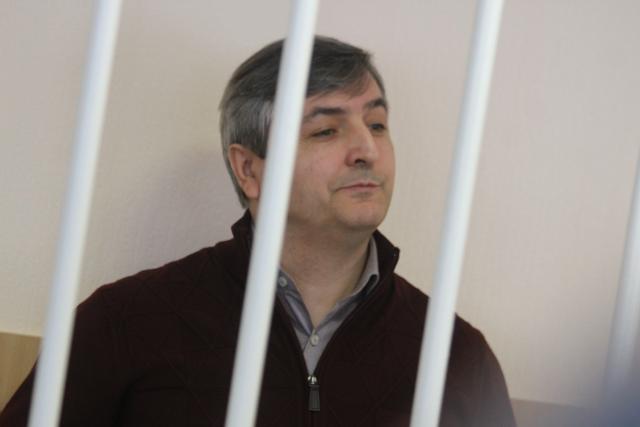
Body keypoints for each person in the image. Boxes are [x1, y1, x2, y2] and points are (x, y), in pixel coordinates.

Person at [0, 36, 516, 427]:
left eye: (377, 124)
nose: (367, 150)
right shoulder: (124, 325)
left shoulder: (456, 357)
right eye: (326, 129)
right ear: (249, 170)